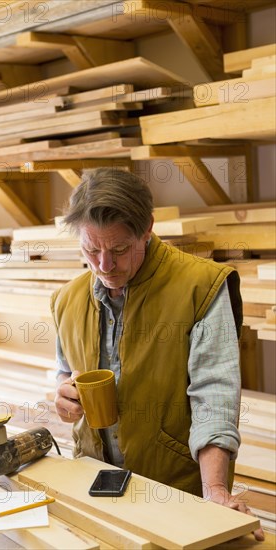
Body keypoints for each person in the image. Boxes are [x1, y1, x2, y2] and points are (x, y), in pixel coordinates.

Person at [52, 168, 264, 540]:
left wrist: (214, 490)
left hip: (176, 491)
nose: (104, 266)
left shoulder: (200, 287)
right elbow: (64, 370)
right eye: (91, 249)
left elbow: (214, 395)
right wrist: (63, 393)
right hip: (93, 483)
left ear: (147, 228)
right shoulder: (66, 300)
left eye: (119, 250)